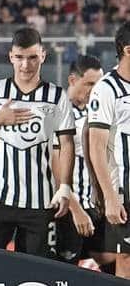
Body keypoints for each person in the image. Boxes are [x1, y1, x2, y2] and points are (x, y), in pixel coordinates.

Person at [0, 27, 76, 257]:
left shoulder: (57, 96)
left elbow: (66, 143)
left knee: (38, 273)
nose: (26, 65)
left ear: (43, 56)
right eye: (20, 58)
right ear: (11, 57)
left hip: (41, 202)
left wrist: (64, 186)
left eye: (33, 57)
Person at [87, 26, 130, 277]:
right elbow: (96, 147)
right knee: (125, 257)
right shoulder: (106, 89)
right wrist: (110, 196)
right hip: (124, 188)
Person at [57, 56, 106, 268]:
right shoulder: (57, 115)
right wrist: (76, 210)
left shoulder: (98, 113)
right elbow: (52, 169)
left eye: (99, 84)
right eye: (89, 84)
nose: (95, 90)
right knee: (64, 274)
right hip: (68, 211)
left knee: (118, 261)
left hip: (96, 209)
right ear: (72, 80)